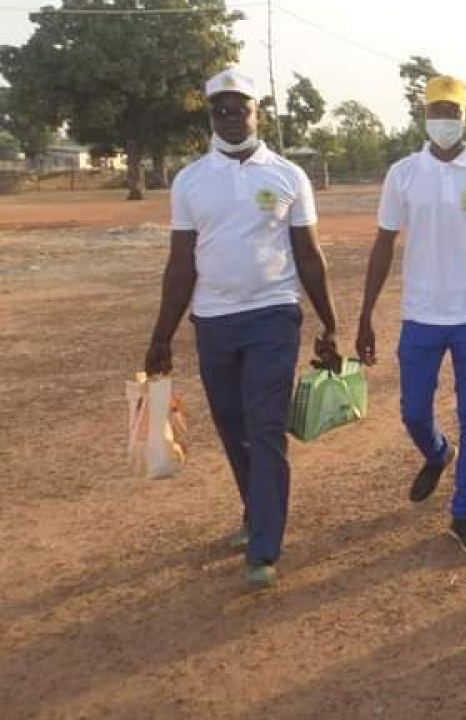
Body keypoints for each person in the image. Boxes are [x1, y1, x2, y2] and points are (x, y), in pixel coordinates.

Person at [144, 68, 341, 590]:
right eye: (221, 109)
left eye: (241, 108)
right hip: (212, 321)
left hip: (273, 314)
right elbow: (181, 264)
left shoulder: (288, 176)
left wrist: (330, 321)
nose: (231, 117)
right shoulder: (189, 181)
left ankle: (264, 548)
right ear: (211, 115)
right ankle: (256, 512)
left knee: (265, 427)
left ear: (258, 112)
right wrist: (161, 334)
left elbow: (309, 253)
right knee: (233, 428)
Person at [355, 75, 466, 557]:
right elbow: (384, 242)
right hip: (421, 315)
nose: (445, 120)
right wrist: (365, 314)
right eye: (437, 111)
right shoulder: (403, 173)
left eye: (453, 112)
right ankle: (436, 452)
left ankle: (464, 511)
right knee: (412, 411)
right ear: (425, 117)